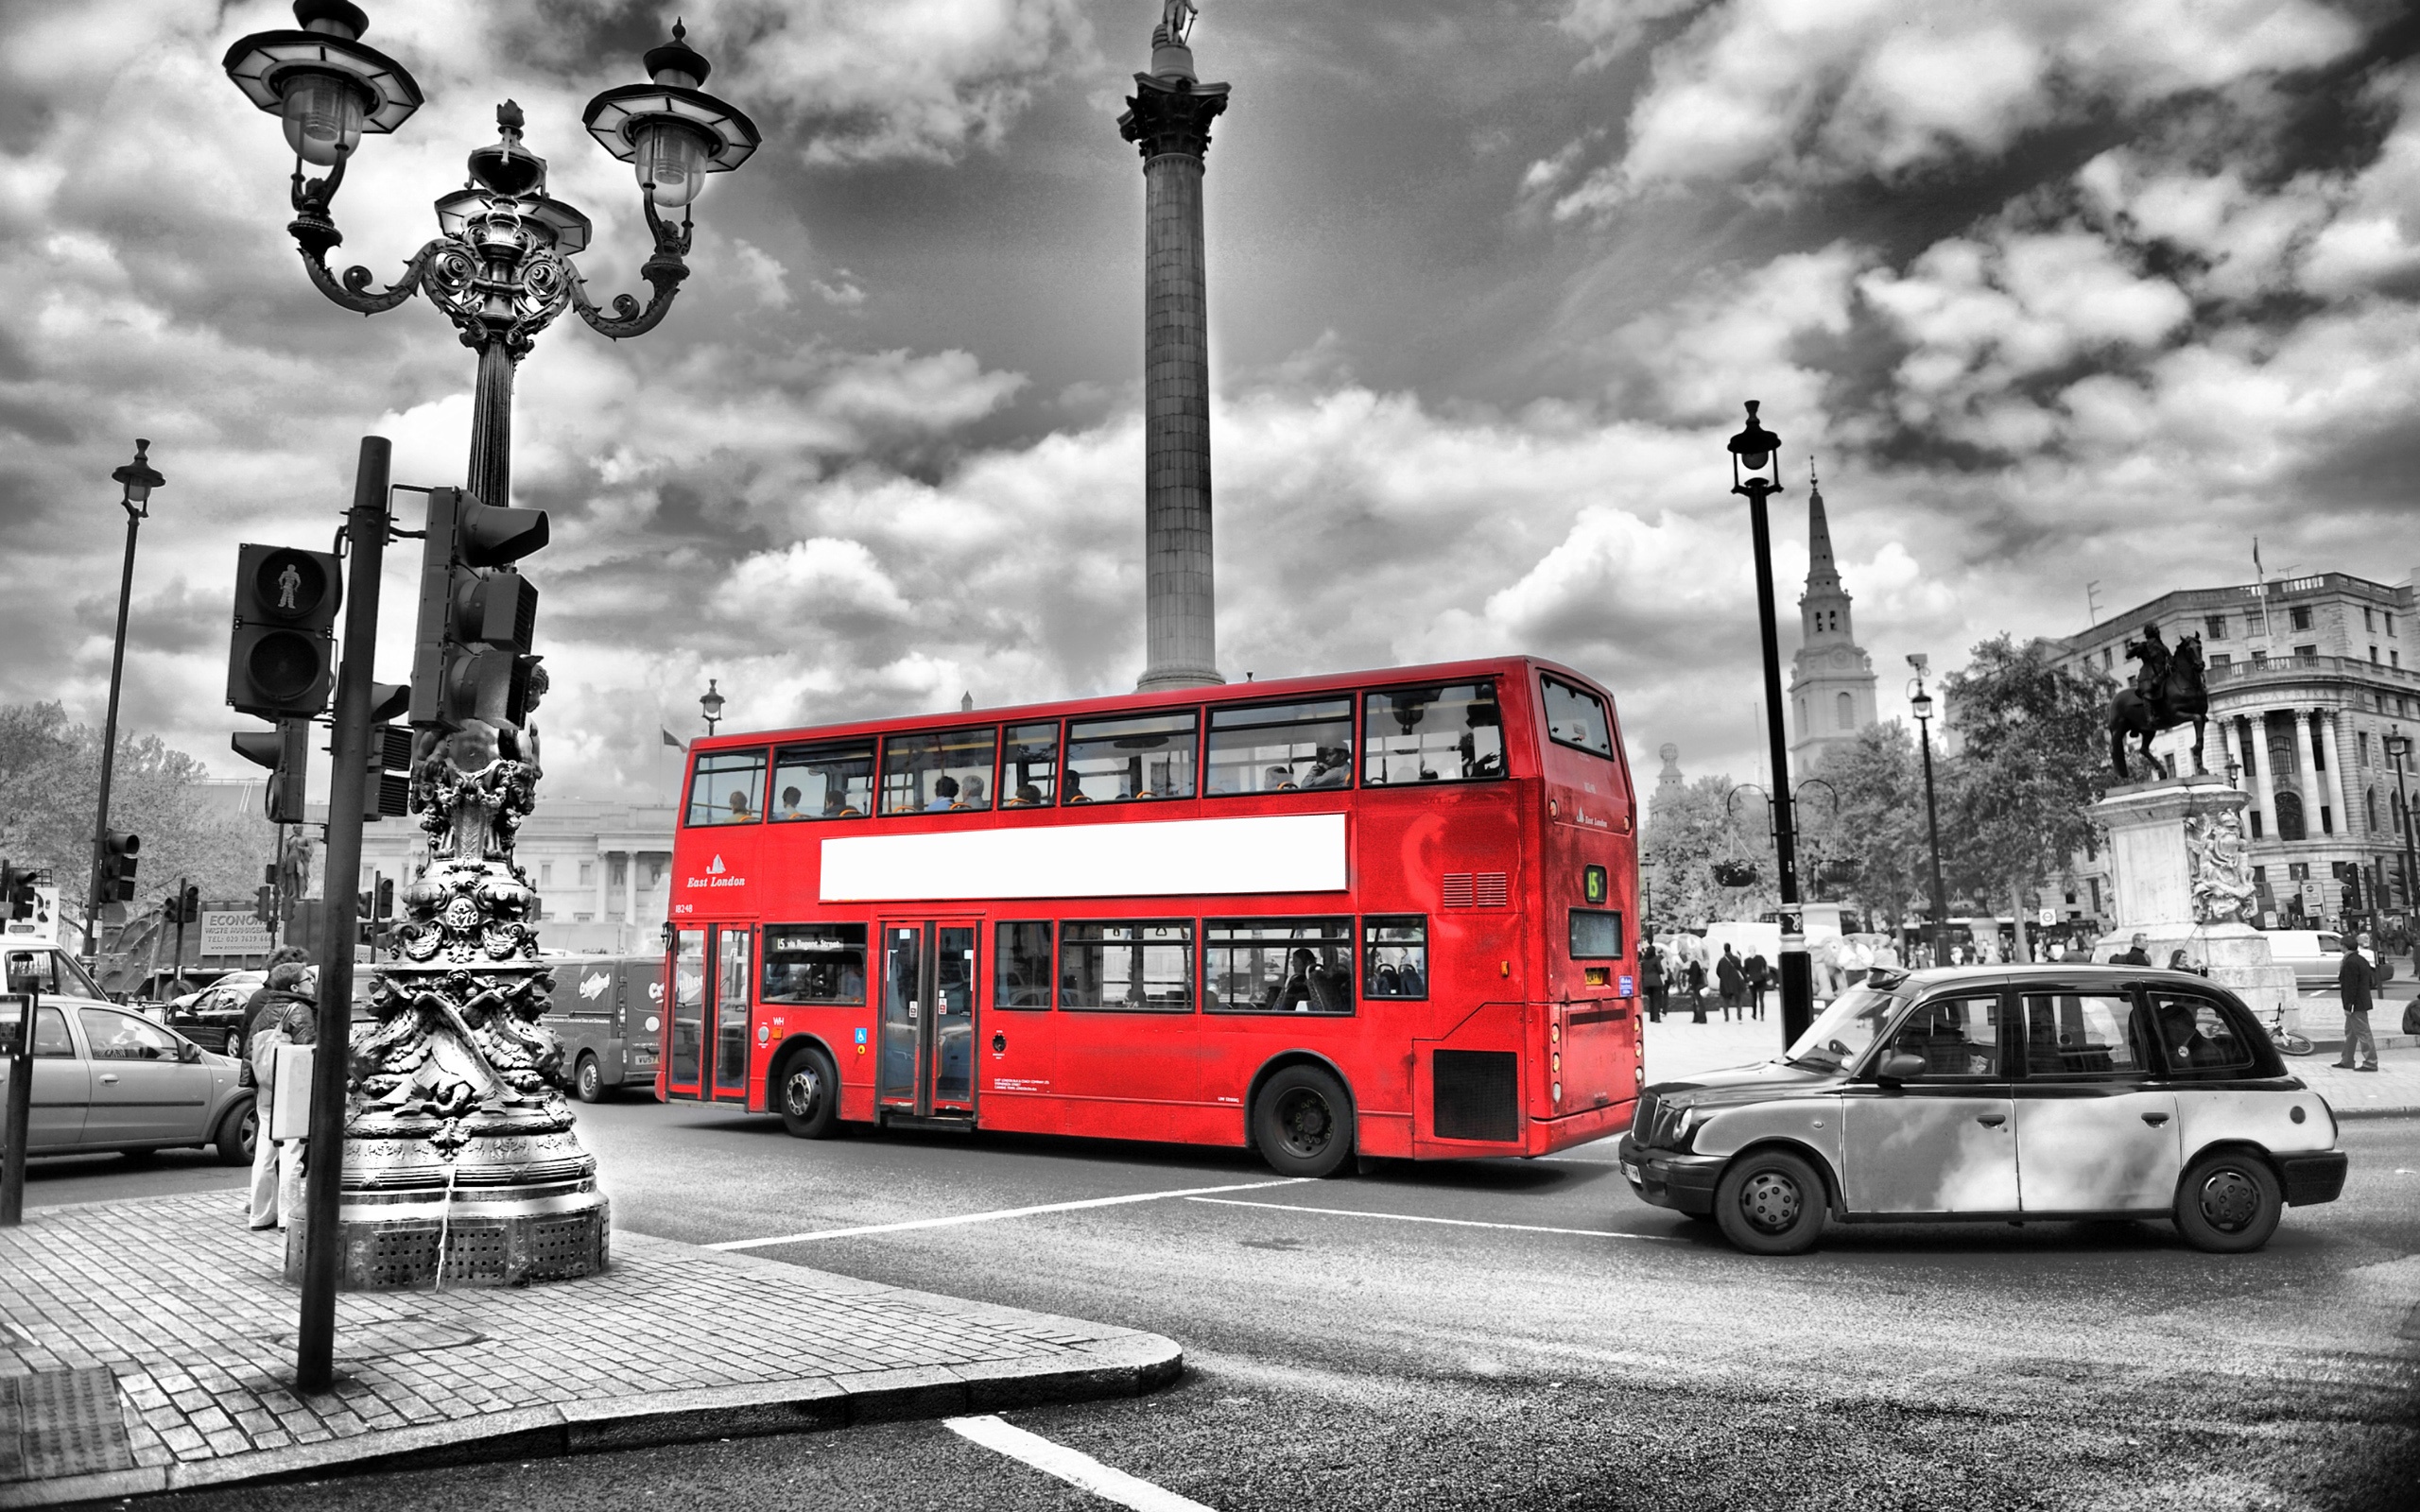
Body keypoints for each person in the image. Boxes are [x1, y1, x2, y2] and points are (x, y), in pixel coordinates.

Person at [246, 960, 316, 1230]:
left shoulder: (265, 1010)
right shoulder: (299, 1010)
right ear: (295, 987)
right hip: (292, 1088)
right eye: (308, 979)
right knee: (291, 1153)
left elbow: (249, 1051)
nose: (312, 983)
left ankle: (260, 1215)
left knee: (265, 1153)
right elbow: (309, 1048)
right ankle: (289, 1216)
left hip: (266, 1087)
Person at [2337, 929, 2383, 1072]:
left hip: (2355, 1004)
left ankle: (2371, 1062)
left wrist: (2348, 1005)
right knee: (2351, 1033)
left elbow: (2350, 986)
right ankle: (2347, 1059)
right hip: (2361, 1001)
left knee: (2363, 1033)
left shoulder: (2350, 962)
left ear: (2344, 946)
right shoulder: (2361, 960)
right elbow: (2368, 981)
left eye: (2340, 945)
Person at [1716, 947, 1744, 1022]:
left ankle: (1726, 1017)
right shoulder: (1736, 959)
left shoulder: (1722, 960)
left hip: (1725, 984)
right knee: (1738, 1000)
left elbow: (1718, 972)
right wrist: (1746, 979)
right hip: (1736, 983)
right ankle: (1739, 1016)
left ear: (1724, 949)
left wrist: (1723, 978)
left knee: (1725, 1001)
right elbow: (1741, 969)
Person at [1640, 944, 1666, 1023]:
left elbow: (1642, 971)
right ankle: (1657, 1018)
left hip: (1647, 982)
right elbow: (1660, 970)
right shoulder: (1656, 959)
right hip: (1656, 982)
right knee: (1657, 1000)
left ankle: (1652, 1017)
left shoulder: (1644, 960)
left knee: (1651, 1000)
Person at [1744, 949, 1770, 1021]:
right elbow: (1765, 967)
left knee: (1754, 999)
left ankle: (1754, 1014)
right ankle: (1762, 1015)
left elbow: (1745, 971)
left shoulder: (1747, 961)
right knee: (1761, 999)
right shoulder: (1760, 958)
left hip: (1752, 982)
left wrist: (1748, 980)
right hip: (1762, 980)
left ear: (1749, 951)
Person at [1685, 956, 1708, 1023]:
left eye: (1689, 954)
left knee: (1699, 1002)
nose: (1688, 956)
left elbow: (1694, 975)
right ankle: (1698, 1017)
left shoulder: (1694, 963)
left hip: (1697, 986)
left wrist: (1692, 985)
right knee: (1697, 1002)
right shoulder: (1698, 963)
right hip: (1699, 985)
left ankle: (1701, 1018)